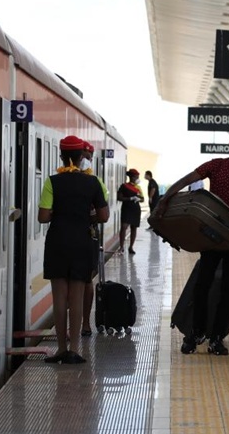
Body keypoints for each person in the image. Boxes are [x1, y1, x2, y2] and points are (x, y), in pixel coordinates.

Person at [157, 130, 229, 356]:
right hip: (213, 233)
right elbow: (189, 179)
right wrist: (166, 199)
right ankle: (195, 333)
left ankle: (217, 338)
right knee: (202, 284)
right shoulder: (215, 165)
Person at [38, 135, 109, 364]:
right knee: (76, 297)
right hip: (81, 241)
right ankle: (75, 349)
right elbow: (103, 216)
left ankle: (60, 349)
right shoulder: (93, 183)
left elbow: (43, 217)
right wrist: (86, 215)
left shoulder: (52, 182)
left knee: (59, 297)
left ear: (61, 156)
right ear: (81, 158)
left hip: (58, 241)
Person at [80, 141, 108, 336]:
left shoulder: (97, 183)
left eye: (87, 157)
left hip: (88, 234)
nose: (84, 161)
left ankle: (85, 323)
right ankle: (79, 324)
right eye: (81, 157)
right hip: (81, 234)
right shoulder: (61, 180)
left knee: (86, 280)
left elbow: (102, 213)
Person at [117, 169, 144, 254]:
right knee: (124, 227)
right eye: (136, 177)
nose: (137, 178)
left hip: (136, 209)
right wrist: (130, 198)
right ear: (132, 177)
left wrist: (138, 199)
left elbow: (143, 199)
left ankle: (131, 247)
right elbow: (119, 197)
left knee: (134, 228)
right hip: (126, 208)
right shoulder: (124, 186)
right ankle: (121, 247)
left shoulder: (138, 188)